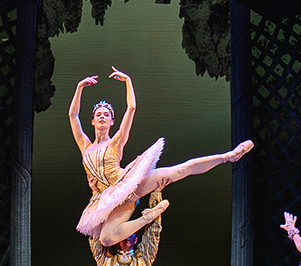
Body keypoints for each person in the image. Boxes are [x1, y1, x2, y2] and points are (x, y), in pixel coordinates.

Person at [69, 68, 252, 247]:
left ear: (111, 122)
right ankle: (149, 216)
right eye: (98, 114)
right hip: (107, 198)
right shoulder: (85, 146)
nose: (102, 117)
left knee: (180, 170)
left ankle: (229, 156)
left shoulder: (116, 142)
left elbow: (131, 108)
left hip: (127, 184)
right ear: (92, 121)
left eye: (106, 115)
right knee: (106, 239)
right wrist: (79, 87)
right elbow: (73, 115)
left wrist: (128, 82)